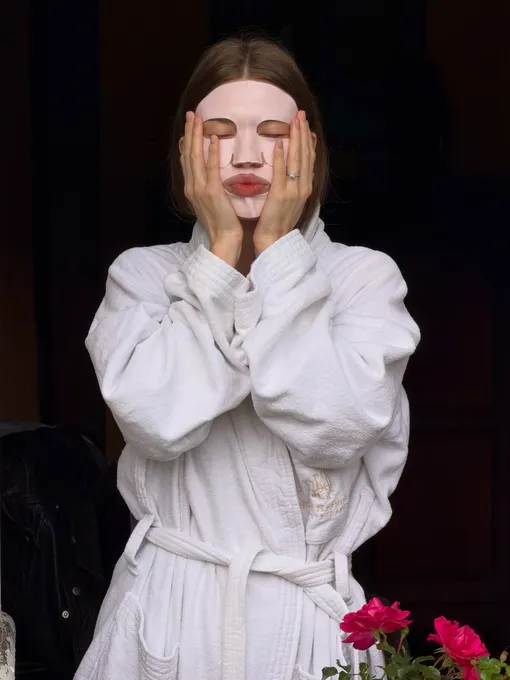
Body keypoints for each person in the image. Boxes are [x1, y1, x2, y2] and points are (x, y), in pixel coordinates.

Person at [74, 35, 420, 680]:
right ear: (187, 152)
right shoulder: (142, 276)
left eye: (274, 134)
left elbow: (335, 426)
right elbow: (156, 418)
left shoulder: (364, 280)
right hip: (168, 613)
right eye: (219, 134)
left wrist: (280, 258)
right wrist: (219, 262)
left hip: (307, 619)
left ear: (310, 150)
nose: (247, 155)